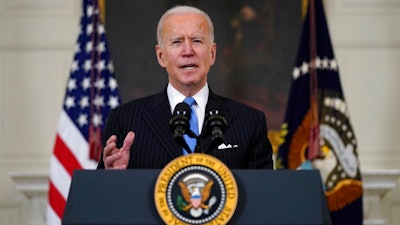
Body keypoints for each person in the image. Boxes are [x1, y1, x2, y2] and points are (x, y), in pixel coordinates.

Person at [97, 5, 273, 170]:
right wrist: (114, 176)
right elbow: (105, 196)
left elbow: (264, 194)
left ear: (212, 54)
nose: (188, 51)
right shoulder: (126, 120)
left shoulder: (250, 122)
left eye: (197, 41)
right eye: (177, 42)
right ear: (161, 56)